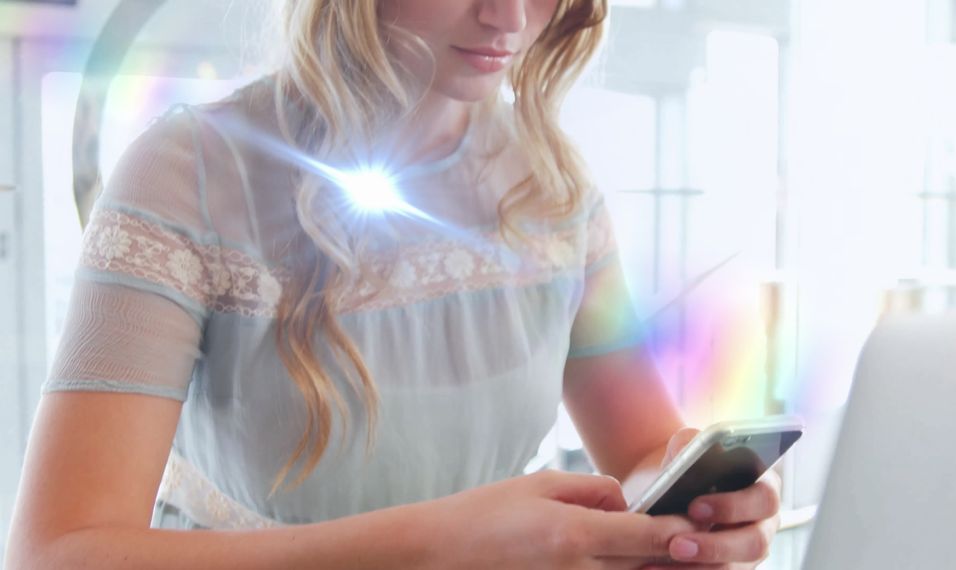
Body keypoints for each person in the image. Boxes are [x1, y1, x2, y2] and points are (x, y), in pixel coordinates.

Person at [5, 0, 782, 568]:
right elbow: (56, 554)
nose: (509, 18)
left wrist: (702, 506)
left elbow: (642, 449)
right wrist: (438, 545)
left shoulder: (551, 185)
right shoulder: (188, 175)